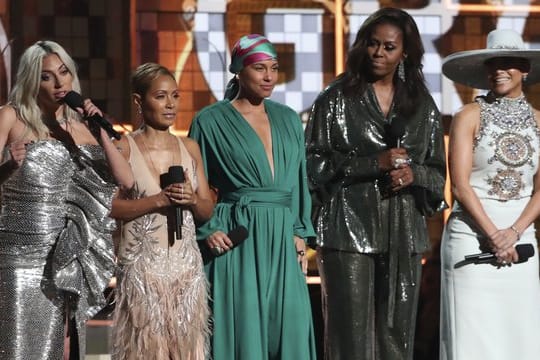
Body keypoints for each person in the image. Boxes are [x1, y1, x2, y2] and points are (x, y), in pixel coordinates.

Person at [305, 7, 447, 360]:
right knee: (349, 336)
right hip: (347, 229)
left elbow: (437, 175)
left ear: (406, 53)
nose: (378, 53)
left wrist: (415, 175)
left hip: (403, 232)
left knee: (397, 336)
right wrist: (373, 163)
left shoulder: (421, 105)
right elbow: (312, 166)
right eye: (372, 44)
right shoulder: (335, 98)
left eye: (389, 47)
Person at [0, 40, 134, 359]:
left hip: (67, 255)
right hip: (20, 255)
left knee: (63, 348)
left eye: (64, 73)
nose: (60, 83)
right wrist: (6, 167)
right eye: (47, 76)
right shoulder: (11, 117)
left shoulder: (83, 128)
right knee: (20, 348)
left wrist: (99, 129)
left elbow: (127, 181)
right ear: (32, 81)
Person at [188, 34, 317, 360]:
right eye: (260, 68)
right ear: (239, 70)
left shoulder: (288, 118)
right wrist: (208, 230)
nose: (269, 76)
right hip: (239, 236)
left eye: (274, 68)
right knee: (243, 333)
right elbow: (195, 187)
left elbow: (300, 180)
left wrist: (300, 231)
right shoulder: (210, 120)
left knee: (290, 329)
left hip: (283, 236)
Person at [440, 29, 540, 360]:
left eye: (508, 62)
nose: (499, 69)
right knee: (472, 341)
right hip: (472, 235)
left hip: (521, 238)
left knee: (519, 337)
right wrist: (494, 235)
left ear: (524, 68)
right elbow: (460, 186)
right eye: (493, 62)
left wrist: (512, 232)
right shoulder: (468, 116)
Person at [110, 62, 214, 360]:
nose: (170, 104)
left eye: (175, 95)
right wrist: (157, 201)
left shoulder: (190, 148)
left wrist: (192, 199)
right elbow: (109, 206)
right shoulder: (123, 148)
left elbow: (207, 209)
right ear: (139, 102)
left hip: (185, 271)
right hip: (143, 271)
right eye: (161, 96)